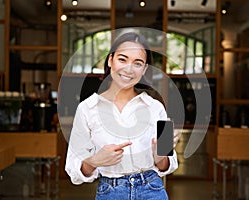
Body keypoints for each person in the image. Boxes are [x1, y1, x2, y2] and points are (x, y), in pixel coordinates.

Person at [65, 31, 179, 200]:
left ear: (144, 69)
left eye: (138, 63)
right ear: (110, 60)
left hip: (152, 190)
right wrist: (95, 161)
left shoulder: (156, 107)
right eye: (122, 59)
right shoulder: (87, 108)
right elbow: (73, 169)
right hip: (110, 192)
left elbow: (167, 166)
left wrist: (161, 154)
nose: (128, 69)